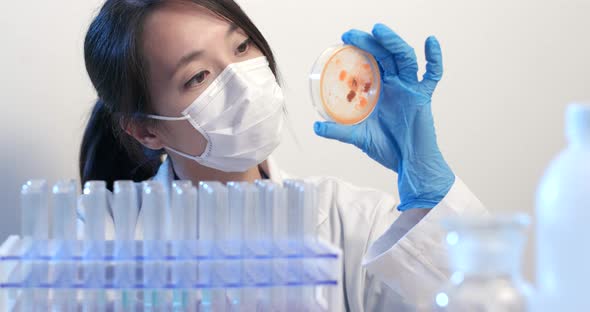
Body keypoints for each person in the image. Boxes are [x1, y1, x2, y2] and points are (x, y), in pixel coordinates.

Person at [79, 0, 486, 310]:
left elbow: (484, 298)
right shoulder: (103, 247)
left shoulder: (353, 222)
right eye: (198, 76)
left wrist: (430, 199)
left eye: (241, 46)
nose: (241, 81)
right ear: (146, 129)